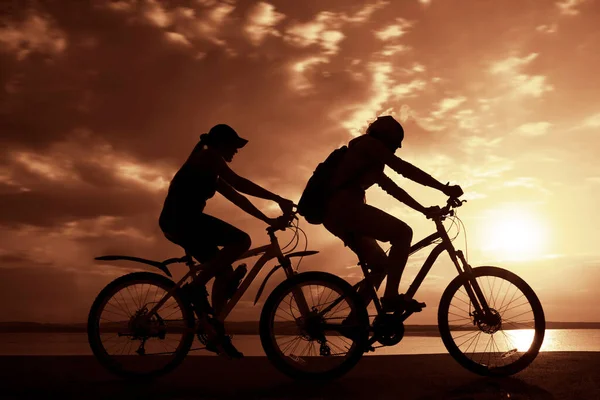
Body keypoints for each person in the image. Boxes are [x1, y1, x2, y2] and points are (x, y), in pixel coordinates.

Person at [159, 123, 294, 356]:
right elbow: (239, 182)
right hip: (182, 220)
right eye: (234, 146)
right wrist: (278, 198)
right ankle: (196, 287)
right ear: (222, 144)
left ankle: (215, 329)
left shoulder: (210, 168)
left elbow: (238, 198)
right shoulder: (209, 156)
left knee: (223, 271)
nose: (237, 151)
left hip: (180, 223)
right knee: (241, 241)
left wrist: (268, 219)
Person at [322, 116, 463, 312]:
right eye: (396, 143)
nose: (397, 148)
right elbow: (404, 169)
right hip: (345, 209)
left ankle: (356, 320)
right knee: (403, 233)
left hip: (336, 215)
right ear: (386, 137)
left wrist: (423, 209)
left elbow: (394, 190)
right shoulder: (369, 145)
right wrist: (443, 188)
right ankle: (390, 297)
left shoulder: (368, 158)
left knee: (381, 266)